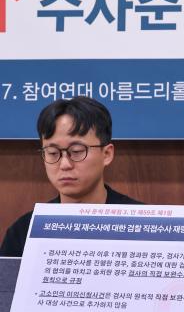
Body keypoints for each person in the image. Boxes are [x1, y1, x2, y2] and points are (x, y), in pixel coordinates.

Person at [0, 96, 142, 257]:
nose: (64, 164)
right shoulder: (24, 231)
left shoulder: (142, 223)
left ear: (107, 154)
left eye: (76, 151)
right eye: (53, 153)